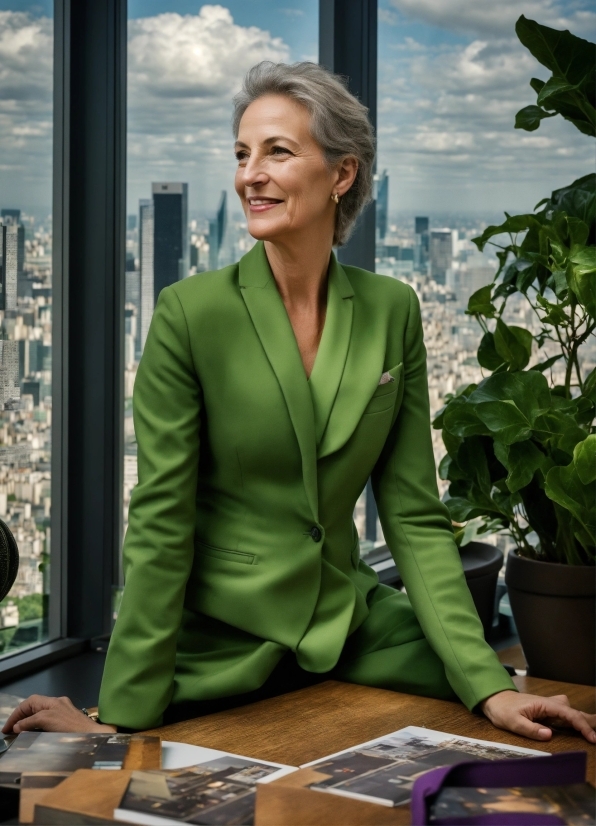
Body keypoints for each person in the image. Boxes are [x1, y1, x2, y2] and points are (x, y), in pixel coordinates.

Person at [4, 62, 595, 744]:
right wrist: (120, 716)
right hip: (221, 642)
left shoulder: (392, 310)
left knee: (505, 725)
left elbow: (411, 513)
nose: (249, 174)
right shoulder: (188, 314)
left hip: (353, 625)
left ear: (342, 175)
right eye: (241, 154)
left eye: (277, 152)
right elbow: (161, 526)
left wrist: (491, 686)